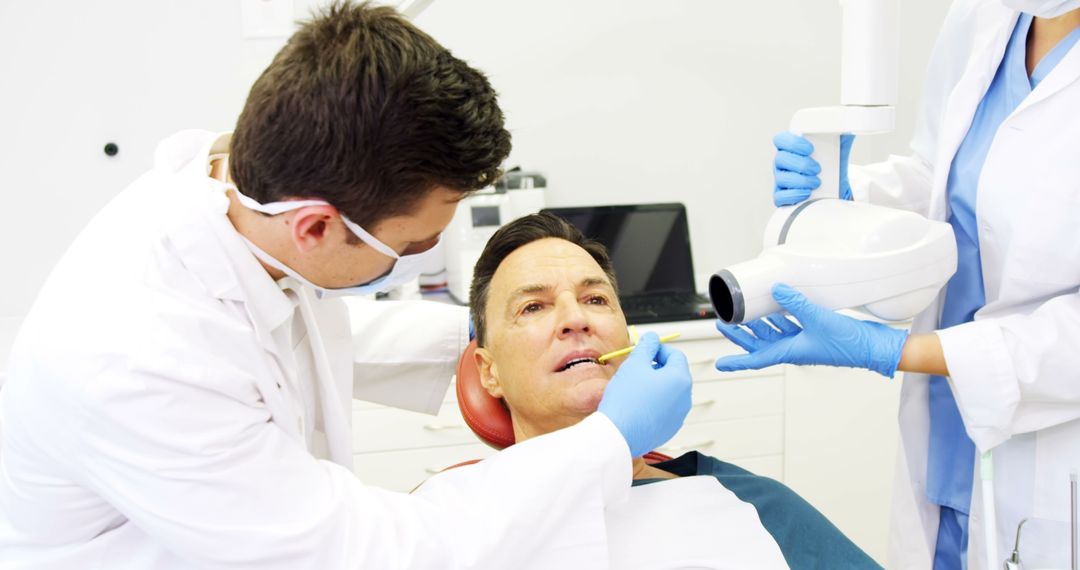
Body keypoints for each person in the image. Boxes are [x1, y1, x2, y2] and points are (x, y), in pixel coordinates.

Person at [0, 3, 694, 568]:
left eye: (591, 300)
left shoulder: (243, 192)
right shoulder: (135, 355)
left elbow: (295, 326)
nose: (424, 255)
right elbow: (357, 551)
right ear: (316, 228)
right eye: (415, 244)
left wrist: (505, 335)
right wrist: (607, 436)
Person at [715, 1, 1080, 568]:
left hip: (1056, 451)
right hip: (948, 432)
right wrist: (848, 195)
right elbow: (945, 177)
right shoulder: (984, 19)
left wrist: (896, 350)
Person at [432, 212, 880, 569]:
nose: (577, 319)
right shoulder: (448, 516)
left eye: (596, 300)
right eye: (533, 306)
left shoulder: (753, 504)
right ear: (488, 372)